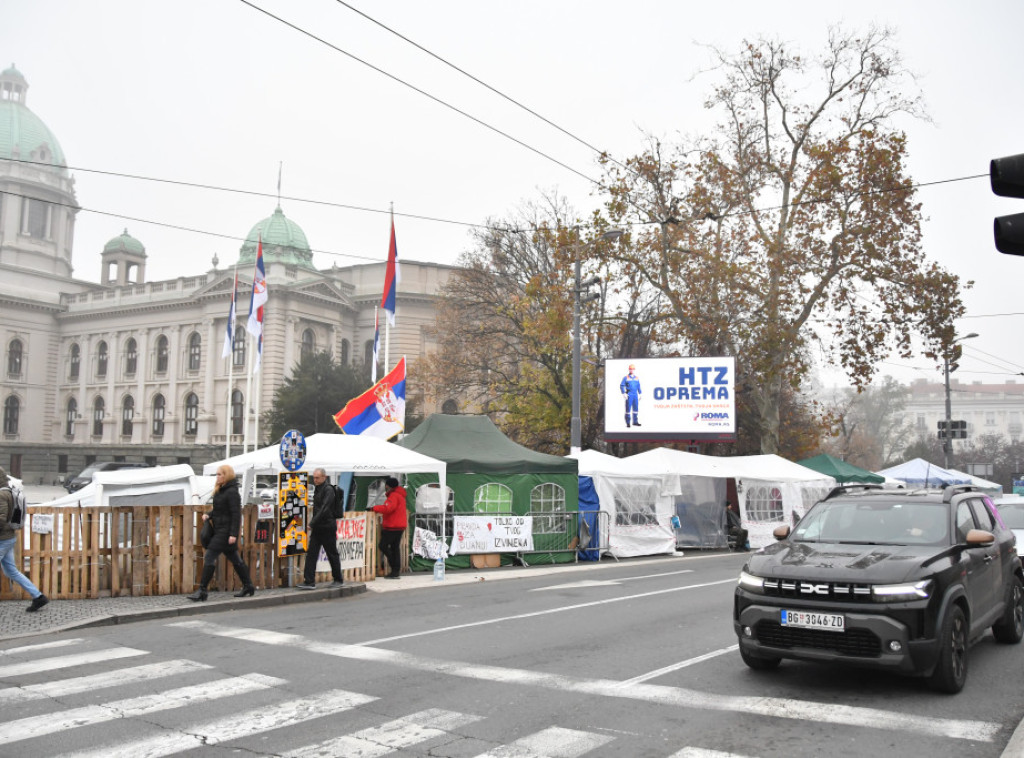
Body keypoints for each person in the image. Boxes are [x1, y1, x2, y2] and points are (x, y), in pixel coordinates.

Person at [188, 464, 255, 601]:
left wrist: (233, 534)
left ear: (227, 475)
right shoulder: (221, 490)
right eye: (217, 474)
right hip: (220, 529)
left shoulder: (231, 492)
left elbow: (236, 514)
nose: (217, 477)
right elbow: (219, 510)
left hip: (225, 532)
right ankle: (248, 586)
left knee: (210, 556)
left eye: (220, 474)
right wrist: (209, 515)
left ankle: (202, 590)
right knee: (235, 559)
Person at [0, 467, 48, 612]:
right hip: (9, 538)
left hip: (2, 539)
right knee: (11, 572)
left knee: (11, 571)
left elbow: (1, 519)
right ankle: (38, 597)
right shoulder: (11, 491)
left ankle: (38, 596)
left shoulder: (2, 495)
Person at [297, 468, 344, 590]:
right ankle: (309, 581)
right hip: (318, 527)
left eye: (317, 477)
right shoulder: (318, 489)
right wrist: (314, 524)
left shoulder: (328, 490)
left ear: (324, 477)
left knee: (332, 553)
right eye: (314, 477)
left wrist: (311, 523)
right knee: (311, 553)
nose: (315, 480)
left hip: (327, 526)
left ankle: (338, 579)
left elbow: (325, 508)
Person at [372, 476, 407, 580]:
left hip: (392, 526)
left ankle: (395, 567)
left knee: (383, 546)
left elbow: (388, 508)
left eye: (386, 485)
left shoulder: (393, 496)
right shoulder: (400, 495)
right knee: (394, 548)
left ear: (388, 485)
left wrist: (374, 508)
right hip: (399, 525)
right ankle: (395, 571)